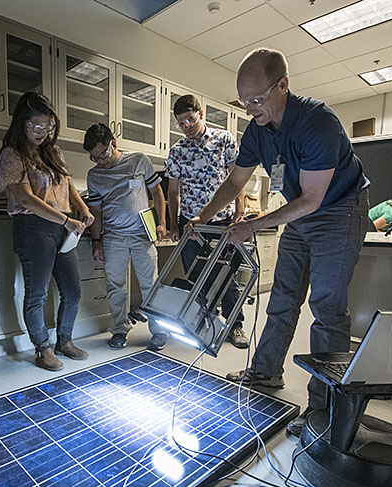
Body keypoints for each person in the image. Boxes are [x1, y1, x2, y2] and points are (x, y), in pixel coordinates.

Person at [189, 48, 370, 436]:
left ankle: (323, 409)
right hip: (301, 213)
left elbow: (312, 199)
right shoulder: (256, 130)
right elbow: (236, 180)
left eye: (257, 99)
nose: (250, 108)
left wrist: (252, 225)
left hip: (338, 212)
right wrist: (203, 216)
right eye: (244, 101)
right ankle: (265, 374)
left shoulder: (317, 123)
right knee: (283, 298)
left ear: (283, 86)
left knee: (326, 310)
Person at [0, 91, 94, 371]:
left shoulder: (53, 151)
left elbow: (68, 184)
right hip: (34, 226)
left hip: (63, 227)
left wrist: (83, 209)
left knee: (73, 291)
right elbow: (25, 199)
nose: (42, 133)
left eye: (48, 127)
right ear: (21, 123)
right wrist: (65, 221)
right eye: (36, 127)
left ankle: (65, 340)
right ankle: (43, 348)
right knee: (37, 293)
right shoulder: (11, 154)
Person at [166, 94, 249, 349]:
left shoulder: (223, 139)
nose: (186, 126)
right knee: (196, 276)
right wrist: (173, 225)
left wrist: (240, 209)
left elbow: (237, 178)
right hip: (191, 224)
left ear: (200, 114)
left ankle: (235, 326)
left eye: (190, 120)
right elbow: (173, 192)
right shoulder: (178, 151)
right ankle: (206, 324)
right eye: (181, 123)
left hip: (222, 221)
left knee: (227, 275)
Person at [83, 123, 169, 351]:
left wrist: (162, 222)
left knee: (151, 285)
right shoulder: (94, 175)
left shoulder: (139, 160)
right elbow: (96, 211)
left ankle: (159, 331)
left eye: (102, 154)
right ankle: (120, 329)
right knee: (115, 286)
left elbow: (157, 192)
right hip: (113, 238)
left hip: (142, 235)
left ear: (113, 143)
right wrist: (96, 241)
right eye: (94, 157)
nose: (99, 160)